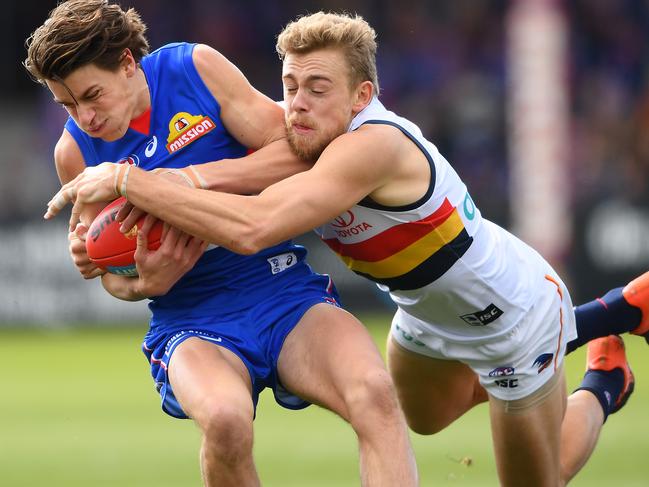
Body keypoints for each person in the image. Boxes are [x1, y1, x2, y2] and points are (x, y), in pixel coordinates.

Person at [45, 10, 648, 486]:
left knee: (527, 474)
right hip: (417, 310)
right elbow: (112, 266)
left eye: (315, 88)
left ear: (361, 94)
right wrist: (131, 279)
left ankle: (601, 374)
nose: (295, 106)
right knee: (419, 417)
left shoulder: (365, 146)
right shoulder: (307, 132)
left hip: (505, 310)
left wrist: (145, 181)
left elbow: (257, 218)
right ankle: (596, 320)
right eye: (289, 87)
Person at [27, 3, 419, 486]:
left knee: (375, 393)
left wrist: (185, 181)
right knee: (225, 422)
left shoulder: (192, 68)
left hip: (280, 288)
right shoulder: (74, 153)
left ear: (128, 64)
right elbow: (112, 276)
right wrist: (138, 282)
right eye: (67, 106)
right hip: (190, 318)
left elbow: (297, 155)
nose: (84, 117)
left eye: (92, 96)